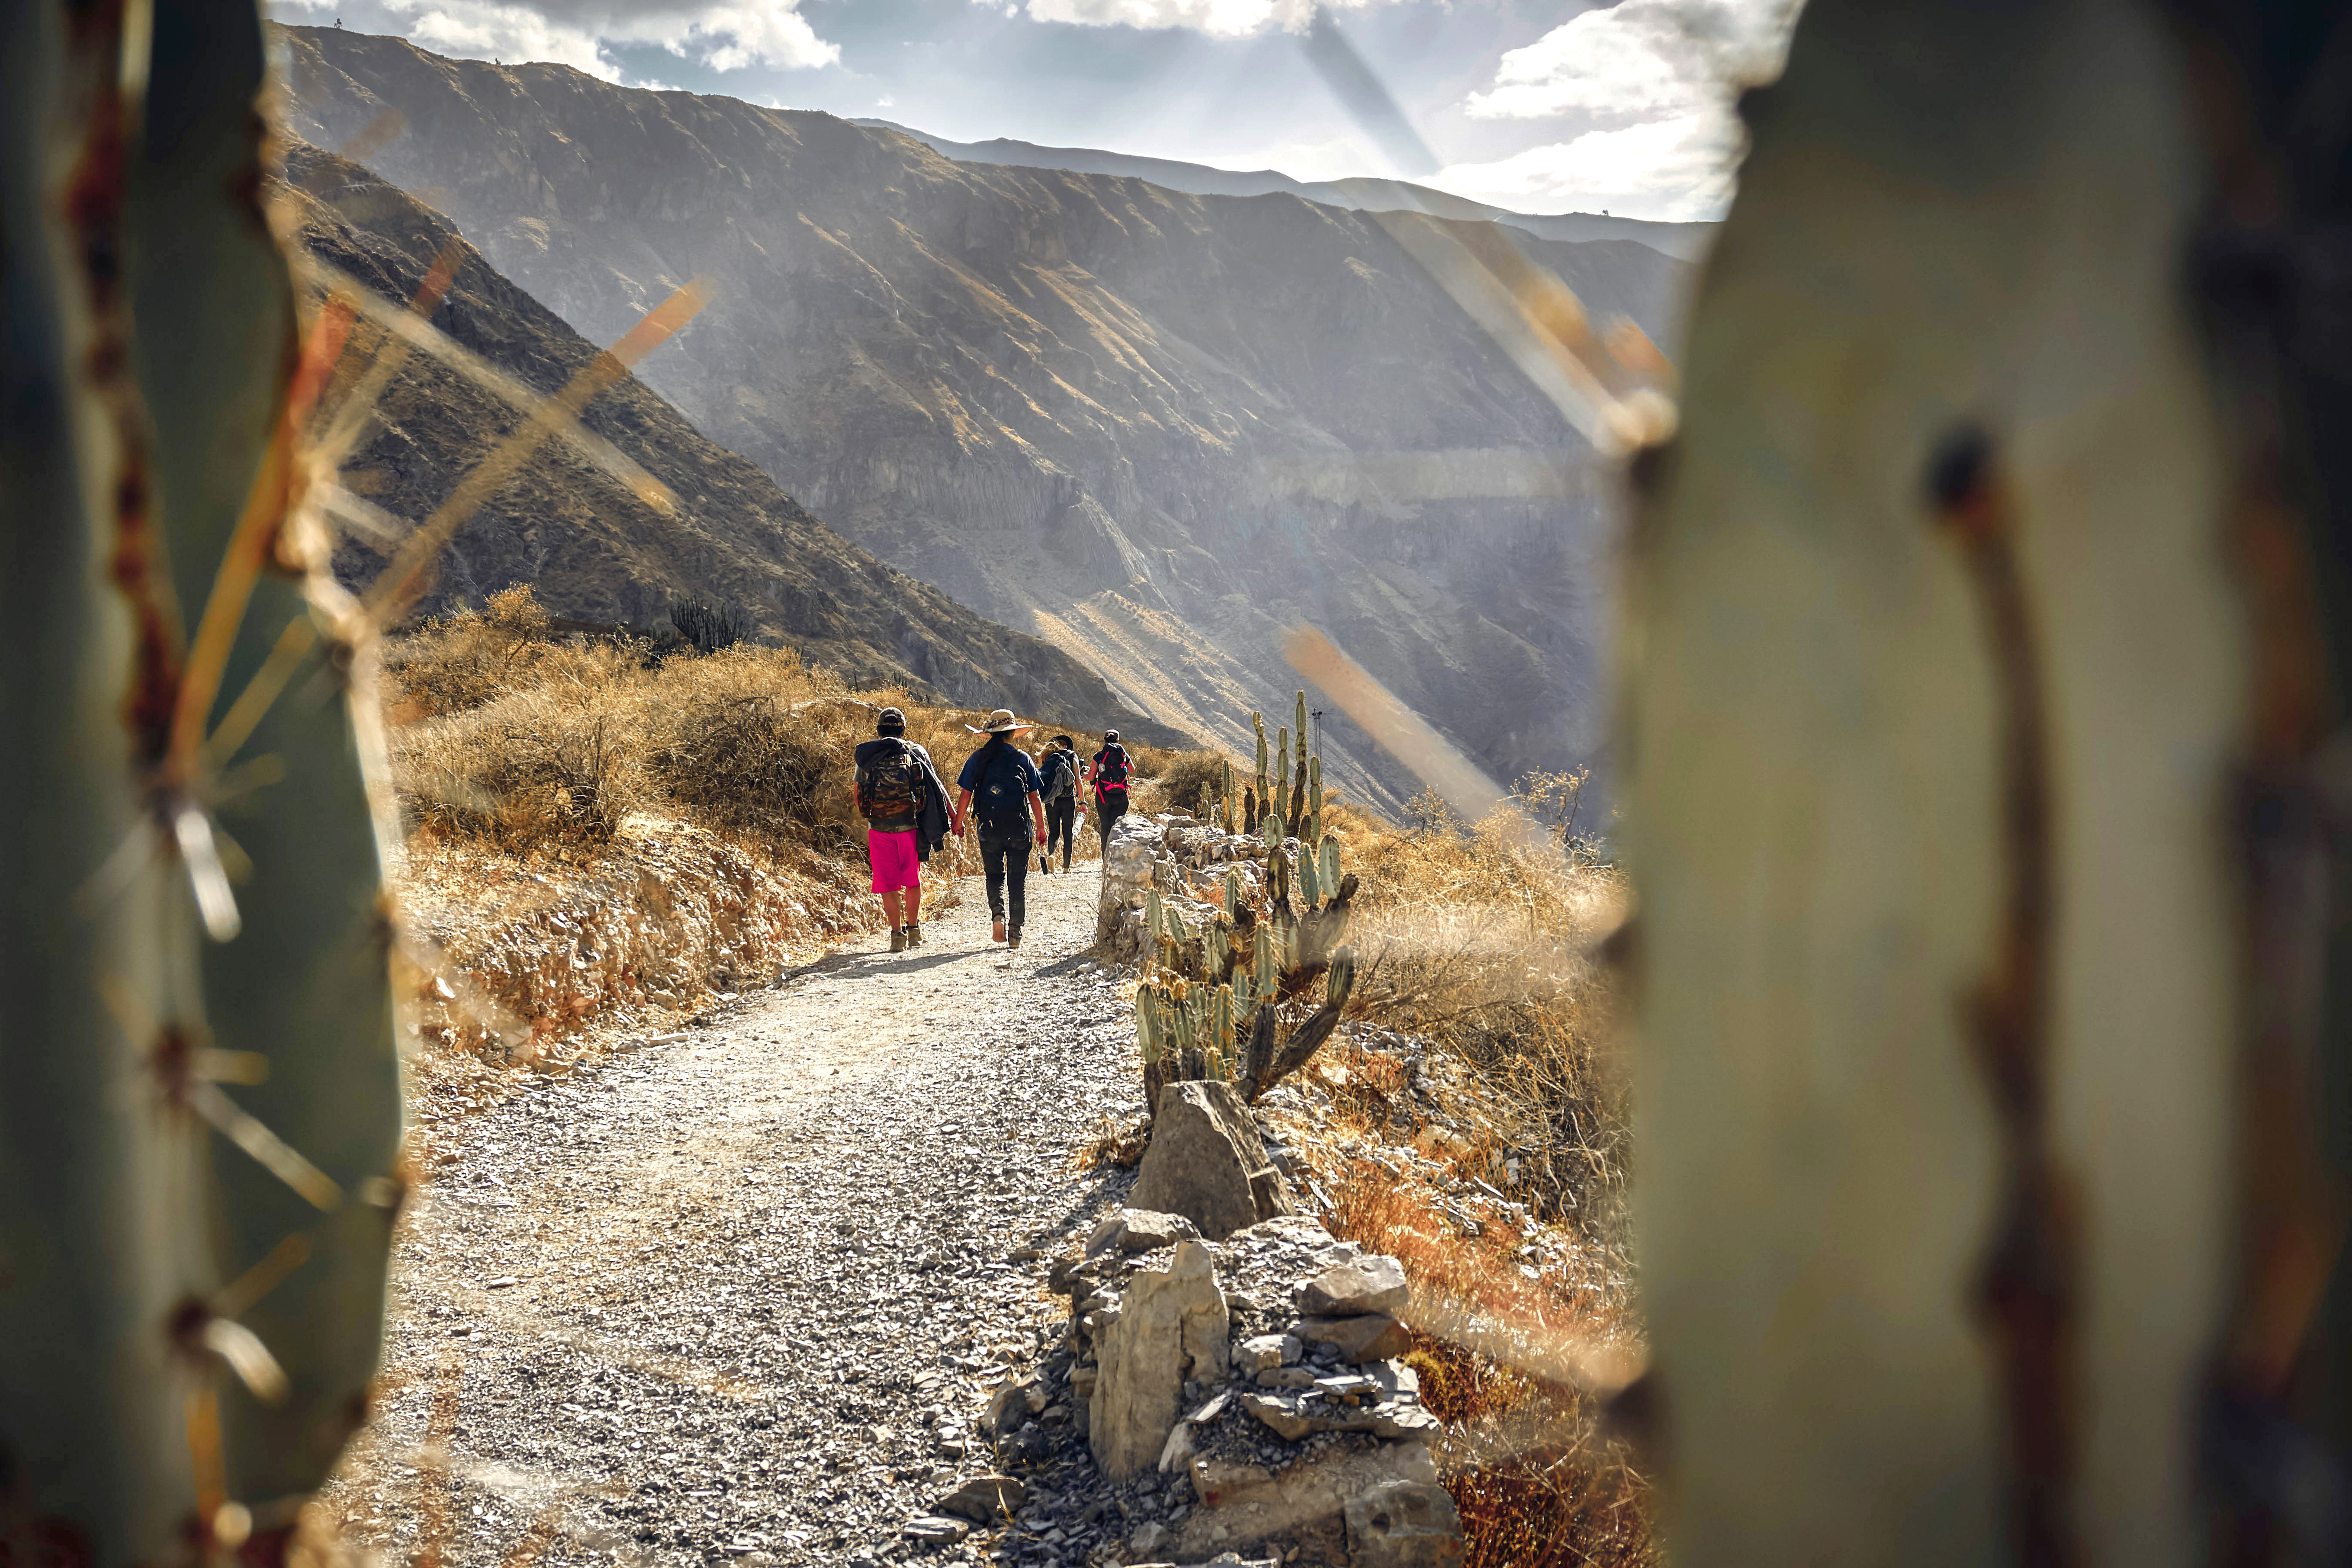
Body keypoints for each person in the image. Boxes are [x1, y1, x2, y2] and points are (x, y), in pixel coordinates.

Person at [950, 710, 1048, 948]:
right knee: (1018, 880)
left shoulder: (978, 759)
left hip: (989, 829)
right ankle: (1015, 934)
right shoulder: (1023, 759)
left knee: (994, 876)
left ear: (990, 733)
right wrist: (1041, 827)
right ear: (1013, 733)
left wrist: (958, 821)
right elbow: (1034, 796)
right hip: (1019, 829)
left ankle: (998, 916)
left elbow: (966, 794)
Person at [853, 707, 948, 952]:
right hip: (909, 827)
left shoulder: (867, 756)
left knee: (888, 884)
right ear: (903, 729)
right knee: (911, 879)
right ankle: (914, 931)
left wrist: (874, 814)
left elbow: (858, 795)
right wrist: (953, 817)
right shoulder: (914, 751)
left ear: (879, 730)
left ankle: (897, 936)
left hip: (880, 829)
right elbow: (934, 786)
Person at [1037, 733, 1081, 873]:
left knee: (1054, 833)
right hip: (1068, 800)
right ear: (1066, 745)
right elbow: (1078, 779)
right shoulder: (1072, 755)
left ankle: (1051, 856)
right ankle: (1066, 868)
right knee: (1068, 833)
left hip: (1052, 800)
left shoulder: (1048, 756)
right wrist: (1083, 801)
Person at [1089, 728, 1134, 843]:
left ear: (1105, 740)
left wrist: (1083, 773)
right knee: (1118, 827)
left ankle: (1105, 856)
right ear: (1118, 740)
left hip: (1104, 798)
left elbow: (1090, 777)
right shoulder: (1123, 754)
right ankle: (1116, 855)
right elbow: (1132, 769)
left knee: (1105, 827)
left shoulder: (1099, 755)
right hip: (1121, 797)